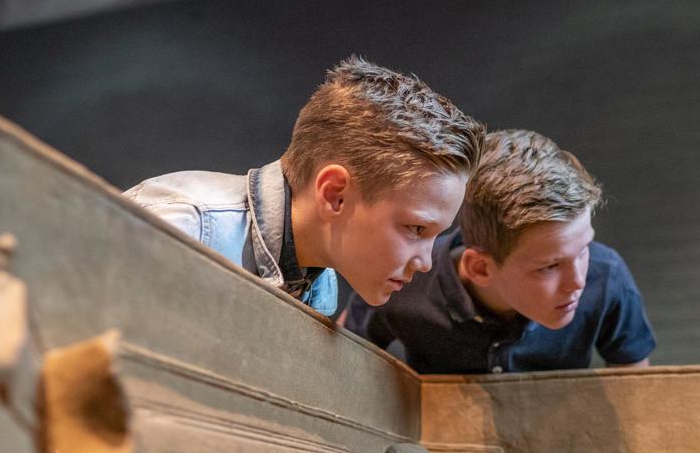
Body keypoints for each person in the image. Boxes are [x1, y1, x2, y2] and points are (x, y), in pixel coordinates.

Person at [124, 57, 484, 316]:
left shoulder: (322, 283)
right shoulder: (184, 228)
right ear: (334, 195)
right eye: (416, 228)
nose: (425, 262)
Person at [344, 129, 656, 372]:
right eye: (549, 266)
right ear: (480, 268)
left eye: (584, 249)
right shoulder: (401, 281)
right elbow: (345, 359)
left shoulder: (609, 277)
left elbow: (635, 391)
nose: (578, 281)